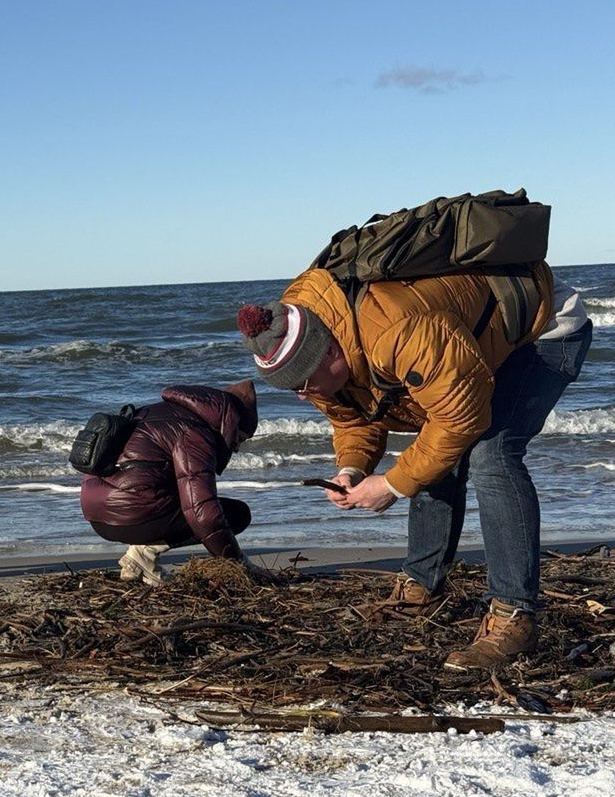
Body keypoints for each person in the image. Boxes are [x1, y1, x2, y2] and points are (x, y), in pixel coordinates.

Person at [237, 261, 591, 669]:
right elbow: (352, 415)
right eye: (292, 387)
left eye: (304, 384)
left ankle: (515, 616)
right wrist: (351, 468)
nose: (301, 396)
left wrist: (392, 485)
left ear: (331, 350)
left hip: (543, 324)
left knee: (492, 454)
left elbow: (460, 419)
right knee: (434, 451)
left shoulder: (398, 332)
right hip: (468, 341)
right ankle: (422, 586)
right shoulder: (306, 345)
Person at [79, 382, 259, 586]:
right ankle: (143, 553)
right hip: (130, 519)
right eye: (240, 437)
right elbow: (202, 512)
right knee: (235, 514)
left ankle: (141, 554)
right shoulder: (193, 430)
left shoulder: (155, 411)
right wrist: (238, 563)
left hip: (96, 515)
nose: (236, 448)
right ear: (231, 422)